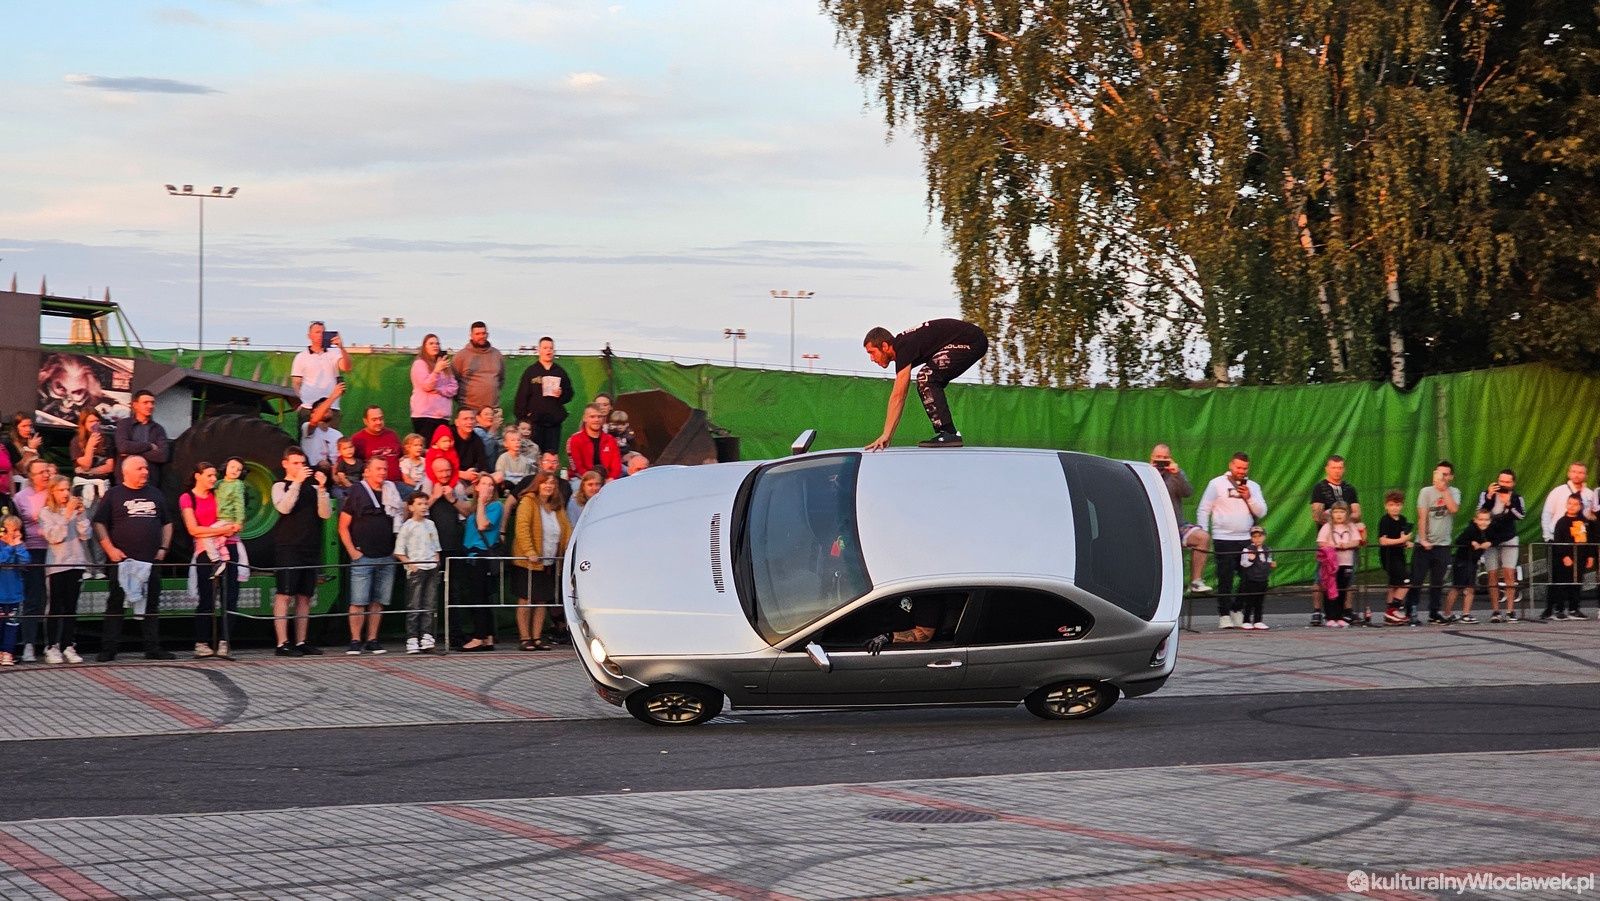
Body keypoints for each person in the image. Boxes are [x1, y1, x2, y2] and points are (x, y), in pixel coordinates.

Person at [92, 456, 175, 661]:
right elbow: (99, 522)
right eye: (140, 468)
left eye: (146, 468)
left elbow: (167, 523)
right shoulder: (113, 494)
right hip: (122, 561)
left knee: (151, 605)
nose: (145, 471)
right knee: (116, 604)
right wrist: (109, 549)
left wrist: (164, 548)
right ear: (126, 472)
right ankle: (109, 649)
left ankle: (152, 648)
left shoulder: (156, 494)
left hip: (151, 560)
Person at [863, 318, 990, 448]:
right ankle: (948, 433)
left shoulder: (903, 347)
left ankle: (949, 433)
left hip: (971, 341)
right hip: (968, 339)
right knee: (928, 379)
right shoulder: (904, 345)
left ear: (884, 346)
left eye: (872, 352)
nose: (872, 359)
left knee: (926, 378)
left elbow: (898, 396)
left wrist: (886, 435)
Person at [339, 458, 404, 655]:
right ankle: (355, 640)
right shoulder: (357, 491)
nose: (382, 472)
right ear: (366, 471)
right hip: (363, 556)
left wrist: (394, 550)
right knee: (358, 601)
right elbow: (343, 526)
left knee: (379, 601)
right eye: (378, 469)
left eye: (385, 469)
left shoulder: (392, 491)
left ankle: (373, 639)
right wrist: (352, 551)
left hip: (386, 556)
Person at [1195, 453, 1268, 630]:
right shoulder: (1216, 483)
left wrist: (1249, 497)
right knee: (1225, 578)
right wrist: (1204, 532)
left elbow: (1262, 511)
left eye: (1245, 468)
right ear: (1231, 465)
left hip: (1246, 539)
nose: (1241, 471)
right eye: (1238, 467)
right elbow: (1204, 509)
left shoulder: (1253, 486)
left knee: (1249, 577)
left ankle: (1237, 608)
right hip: (1223, 538)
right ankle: (1224, 615)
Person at [270, 447, 330, 657]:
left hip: (309, 546)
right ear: (285, 464)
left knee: (305, 596)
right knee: (285, 594)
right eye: (295, 463)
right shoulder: (279, 485)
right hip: (288, 546)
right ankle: (282, 643)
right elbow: (284, 508)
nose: (300, 467)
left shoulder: (312, 488)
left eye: (302, 463)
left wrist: (321, 489)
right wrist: (296, 482)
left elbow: (325, 514)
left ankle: (302, 640)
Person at [180, 462, 242, 658]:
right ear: (197, 476)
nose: (214, 479)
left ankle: (225, 642)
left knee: (230, 597)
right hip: (205, 551)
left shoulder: (219, 493)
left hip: (229, 547)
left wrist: (232, 526)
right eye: (209, 475)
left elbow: (234, 514)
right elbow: (193, 529)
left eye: (215, 475)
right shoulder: (187, 497)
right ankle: (201, 642)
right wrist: (221, 530)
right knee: (206, 597)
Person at [512, 471, 571, 650]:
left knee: (542, 601)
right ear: (537, 484)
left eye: (552, 483)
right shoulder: (528, 501)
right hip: (529, 561)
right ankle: (525, 638)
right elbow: (522, 528)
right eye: (545, 483)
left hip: (549, 561)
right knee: (526, 599)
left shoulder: (557, 505)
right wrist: (529, 551)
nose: (548, 486)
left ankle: (537, 638)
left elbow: (566, 529)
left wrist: (568, 549)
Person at [39, 475, 89, 664]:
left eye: (68, 489)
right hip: (57, 564)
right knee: (55, 607)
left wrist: (81, 515)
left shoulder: (74, 510)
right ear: (52, 492)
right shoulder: (45, 513)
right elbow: (54, 537)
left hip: (76, 562)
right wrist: (66, 515)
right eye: (61, 490)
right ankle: (52, 646)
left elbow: (86, 535)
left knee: (71, 606)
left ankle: (68, 645)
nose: (66, 493)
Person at [1150, 444, 1212, 593]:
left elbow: (1188, 492)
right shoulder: (1145, 473)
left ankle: (1195, 581)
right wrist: (1151, 471)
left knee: (1202, 538)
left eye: (1165, 458)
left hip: (1176, 526)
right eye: (1158, 457)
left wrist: (1176, 474)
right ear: (1152, 457)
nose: (1161, 461)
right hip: (1152, 526)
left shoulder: (1176, 474)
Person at [1308, 455, 1362, 626]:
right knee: (1321, 578)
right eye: (1333, 468)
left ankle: (1346, 610)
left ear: (1344, 469)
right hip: (1329, 544)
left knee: (1348, 579)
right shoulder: (1319, 488)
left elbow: (1357, 513)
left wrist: (1343, 518)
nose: (1337, 471)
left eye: (1340, 468)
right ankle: (1317, 611)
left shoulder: (1349, 489)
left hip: (1347, 541)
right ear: (1327, 468)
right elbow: (1317, 514)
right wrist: (1334, 518)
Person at [458, 473, 506, 652]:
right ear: (477, 487)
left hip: (482, 555)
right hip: (471, 555)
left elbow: (482, 525)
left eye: (491, 484)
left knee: (479, 596)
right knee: (480, 595)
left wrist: (480, 503)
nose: (488, 487)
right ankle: (488, 636)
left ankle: (479, 637)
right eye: (484, 484)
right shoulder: (474, 506)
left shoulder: (495, 506)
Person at [1411, 462, 1461, 625]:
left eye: (1446, 474)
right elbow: (1422, 516)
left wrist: (1444, 490)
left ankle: (1434, 612)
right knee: (1417, 578)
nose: (1442, 477)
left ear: (1451, 477)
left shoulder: (1454, 492)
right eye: (1439, 473)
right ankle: (1411, 609)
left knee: (1437, 581)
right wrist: (1423, 539)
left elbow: (1453, 509)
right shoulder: (1426, 491)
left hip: (1443, 544)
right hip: (1424, 543)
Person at [393, 492, 441, 655]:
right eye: (419, 504)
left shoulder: (431, 524)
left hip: (431, 568)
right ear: (411, 507)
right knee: (414, 605)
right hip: (416, 569)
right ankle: (412, 638)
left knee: (430, 603)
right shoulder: (407, 526)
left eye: (425, 504)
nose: (423, 507)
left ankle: (426, 636)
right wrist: (411, 565)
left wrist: (436, 561)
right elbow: (399, 551)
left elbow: (436, 546)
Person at [14, 460, 52, 662]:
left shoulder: (54, 492)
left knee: (53, 598)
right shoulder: (21, 497)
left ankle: (53, 644)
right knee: (33, 598)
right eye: (40, 472)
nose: (46, 475)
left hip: (55, 549)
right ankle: (29, 644)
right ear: (30, 476)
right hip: (32, 550)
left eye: (47, 471)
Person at [513, 336, 574, 462]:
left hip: (553, 423)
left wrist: (561, 393)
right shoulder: (531, 371)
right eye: (545, 348)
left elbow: (569, 394)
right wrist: (523, 418)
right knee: (533, 457)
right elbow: (522, 396)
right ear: (539, 350)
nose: (548, 351)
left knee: (550, 457)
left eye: (551, 348)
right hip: (535, 423)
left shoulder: (560, 372)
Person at [1477, 469, 1525, 623]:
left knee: (1509, 574)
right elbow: (1480, 514)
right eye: (1501, 481)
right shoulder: (1486, 494)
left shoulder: (1516, 497)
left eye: (1507, 482)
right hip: (1490, 538)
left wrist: (1509, 504)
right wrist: (1489, 497)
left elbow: (1521, 515)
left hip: (1508, 538)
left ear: (1513, 483)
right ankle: (1495, 611)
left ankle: (1510, 611)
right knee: (1492, 574)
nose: (1503, 485)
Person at [290, 321, 351, 423]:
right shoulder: (301, 357)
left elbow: (346, 367)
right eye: (317, 332)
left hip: (331, 408)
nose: (321, 335)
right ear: (309, 336)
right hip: (308, 408)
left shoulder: (335, 352)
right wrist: (300, 403)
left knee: (331, 434)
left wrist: (341, 347)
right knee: (307, 433)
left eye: (323, 332)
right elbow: (296, 382)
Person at [1545, 494, 1592, 621]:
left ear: (1580, 506)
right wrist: (1564, 556)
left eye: (1575, 504)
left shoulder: (1584, 522)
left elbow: (1588, 540)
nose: (1572, 506)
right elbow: (1558, 540)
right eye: (1570, 503)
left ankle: (1574, 609)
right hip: (1565, 559)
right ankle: (1559, 609)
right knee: (1562, 583)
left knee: (1576, 583)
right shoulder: (1561, 522)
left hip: (1580, 558)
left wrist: (1590, 556)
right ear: (1566, 504)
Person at [1441, 508, 1492, 624]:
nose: (1483, 522)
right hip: (1462, 561)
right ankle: (1447, 614)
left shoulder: (1488, 531)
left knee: (1470, 588)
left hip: (1472, 562)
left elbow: (1495, 538)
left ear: (1490, 521)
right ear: (1475, 520)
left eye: (1486, 520)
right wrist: (1471, 542)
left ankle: (1466, 614)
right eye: (1481, 519)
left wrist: (1490, 543)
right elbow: (1459, 540)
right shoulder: (1471, 530)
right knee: (1457, 587)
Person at [1316, 503, 1361, 627]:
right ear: (1332, 514)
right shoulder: (1327, 527)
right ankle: (1330, 617)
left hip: (1346, 562)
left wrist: (1346, 545)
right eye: (1336, 512)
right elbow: (1321, 542)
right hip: (1331, 564)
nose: (1339, 515)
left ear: (1347, 514)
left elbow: (1357, 541)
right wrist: (1334, 546)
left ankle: (1340, 616)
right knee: (1330, 589)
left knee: (1343, 589)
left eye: (1342, 512)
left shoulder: (1351, 526)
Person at [451, 320, 506, 417]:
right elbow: (453, 381)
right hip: (469, 411)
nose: (481, 336)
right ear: (471, 335)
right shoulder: (461, 356)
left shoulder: (497, 355)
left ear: (487, 334)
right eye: (477, 334)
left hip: (492, 411)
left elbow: (500, 379)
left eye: (483, 333)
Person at [113, 390, 170, 483]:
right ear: (135, 405)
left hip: (150, 482)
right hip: (125, 480)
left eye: (152, 403)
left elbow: (163, 456)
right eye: (145, 402)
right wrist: (150, 446)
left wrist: (132, 453)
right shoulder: (124, 424)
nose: (150, 406)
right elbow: (123, 447)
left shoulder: (158, 429)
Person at [1376, 491, 1415, 626]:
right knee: (1406, 582)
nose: (1395, 508)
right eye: (1391, 505)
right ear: (1386, 506)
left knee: (1394, 585)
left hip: (1399, 555)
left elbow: (1402, 538)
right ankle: (1393, 610)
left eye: (1397, 505)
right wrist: (1402, 540)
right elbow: (1383, 541)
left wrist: (1406, 542)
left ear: (1402, 506)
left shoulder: (1403, 519)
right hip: (1389, 557)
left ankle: (1389, 615)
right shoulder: (1385, 520)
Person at [409, 333, 457, 439]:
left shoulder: (444, 365)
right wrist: (436, 371)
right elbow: (427, 386)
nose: (435, 346)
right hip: (425, 416)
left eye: (437, 343)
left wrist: (440, 390)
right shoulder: (419, 364)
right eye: (431, 343)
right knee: (426, 446)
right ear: (424, 346)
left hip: (443, 416)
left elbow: (454, 388)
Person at [1541, 461, 1597, 543]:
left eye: (1581, 472)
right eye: (1574, 471)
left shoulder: (1590, 494)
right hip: (1558, 536)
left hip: (1582, 539)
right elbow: (1547, 514)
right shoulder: (1558, 491)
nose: (1576, 475)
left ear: (1586, 476)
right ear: (1568, 474)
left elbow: (1593, 516)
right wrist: (1547, 537)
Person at [70, 411, 114, 514]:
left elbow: (109, 467)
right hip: (83, 489)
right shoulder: (76, 441)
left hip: (102, 487)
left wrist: (89, 471)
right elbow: (86, 465)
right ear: (84, 424)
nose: (95, 424)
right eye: (91, 421)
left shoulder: (107, 440)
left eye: (97, 421)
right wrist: (90, 446)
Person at [567, 404, 622, 482]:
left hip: (607, 480)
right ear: (585, 418)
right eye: (592, 417)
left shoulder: (610, 440)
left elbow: (616, 466)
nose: (596, 420)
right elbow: (577, 467)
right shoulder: (574, 439)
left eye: (599, 417)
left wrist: (611, 478)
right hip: (581, 478)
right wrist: (594, 481)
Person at [350, 405, 403, 484]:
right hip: (374, 485)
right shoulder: (357, 439)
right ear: (365, 421)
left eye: (381, 419)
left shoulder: (391, 434)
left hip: (398, 483)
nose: (378, 422)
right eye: (374, 420)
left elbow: (402, 455)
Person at [1236, 525, 1276, 630]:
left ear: (1264, 537)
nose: (1257, 539)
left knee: (1260, 601)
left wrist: (1271, 564)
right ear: (1251, 538)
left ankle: (1258, 620)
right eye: (1254, 536)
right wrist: (1251, 559)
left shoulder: (1268, 549)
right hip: (1251, 579)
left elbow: (1269, 560)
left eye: (1260, 536)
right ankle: (1246, 620)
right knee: (1249, 601)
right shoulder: (1247, 549)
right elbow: (1243, 563)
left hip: (1263, 579)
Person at [0, 516, 26, 666]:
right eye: (12, 530)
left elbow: (25, 561)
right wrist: (9, 546)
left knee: (12, 625)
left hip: (15, 594)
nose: (15, 533)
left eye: (17, 530)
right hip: (1, 594)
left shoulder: (18, 545)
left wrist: (18, 546)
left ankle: (8, 652)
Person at [300, 390, 345, 474]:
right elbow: (314, 421)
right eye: (323, 407)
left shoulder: (338, 435)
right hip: (311, 472)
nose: (327, 408)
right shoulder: (307, 427)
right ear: (312, 414)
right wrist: (332, 397)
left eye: (329, 407)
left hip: (333, 474)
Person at [450, 407, 492, 484]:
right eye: (465, 419)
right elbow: (441, 465)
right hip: (453, 476)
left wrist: (478, 473)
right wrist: (462, 474)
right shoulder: (448, 437)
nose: (469, 422)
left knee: (498, 476)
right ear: (457, 422)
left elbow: (483, 465)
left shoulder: (477, 439)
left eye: (472, 419)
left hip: (472, 477)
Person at [9, 415, 42, 488]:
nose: (28, 429)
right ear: (16, 428)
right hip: (18, 484)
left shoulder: (33, 441)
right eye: (24, 426)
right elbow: (22, 469)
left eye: (30, 426)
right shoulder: (10, 444)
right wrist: (31, 449)